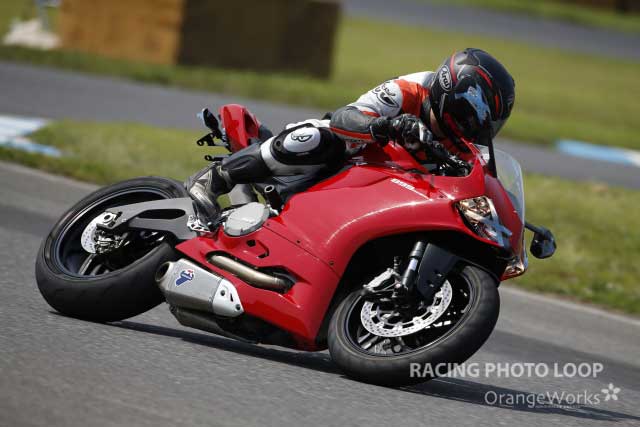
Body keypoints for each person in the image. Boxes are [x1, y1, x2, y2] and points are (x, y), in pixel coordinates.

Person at [187, 48, 515, 218]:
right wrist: (386, 125)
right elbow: (346, 117)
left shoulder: (465, 148)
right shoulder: (410, 90)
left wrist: (514, 219)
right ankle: (214, 179)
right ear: (456, 93)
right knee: (316, 138)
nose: (480, 128)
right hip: (349, 160)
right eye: (480, 116)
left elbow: (484, 186)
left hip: (385, 194)